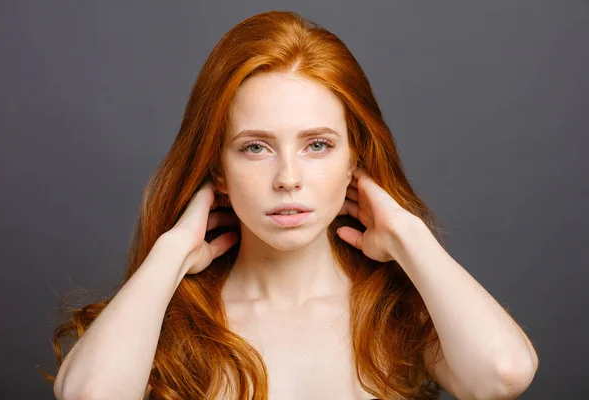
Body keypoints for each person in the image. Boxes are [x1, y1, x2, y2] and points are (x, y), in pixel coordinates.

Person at [39, 10, 538, 400]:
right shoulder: (172, 321)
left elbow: (503, 374)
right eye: (255, 147)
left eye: (317, 145)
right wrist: (169, 256)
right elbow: (88, 393)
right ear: (219, 170)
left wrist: (411, 239)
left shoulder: (392, 311)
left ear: (353, 161)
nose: (289, 179)